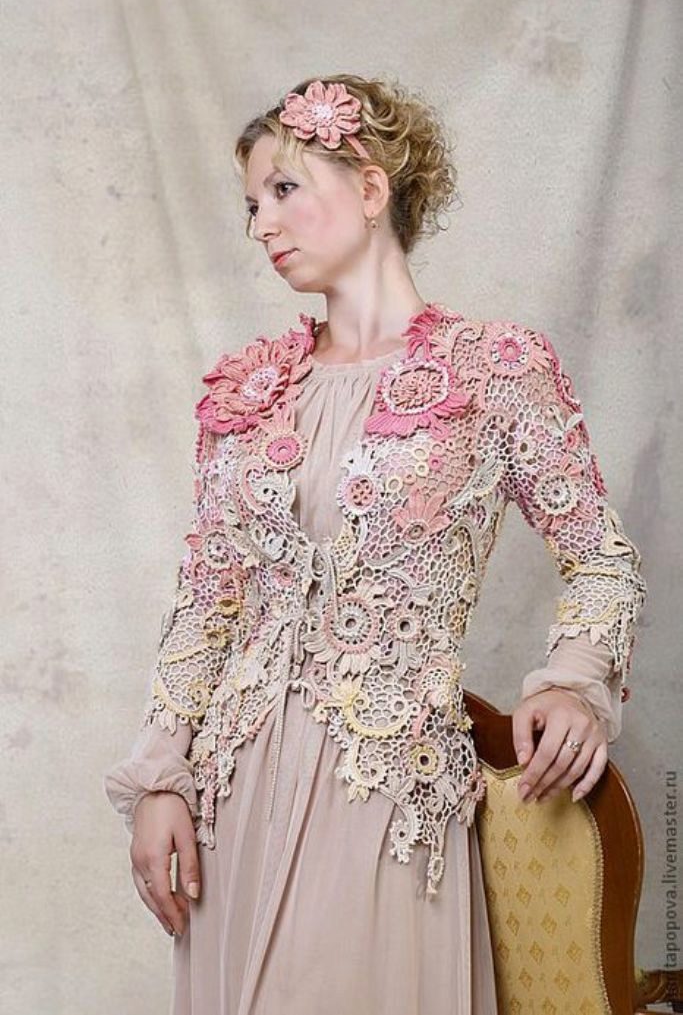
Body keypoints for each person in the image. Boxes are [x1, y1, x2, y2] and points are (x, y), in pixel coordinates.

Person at [104, 74, 647, 1014]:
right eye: (250, 204)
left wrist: (571, 680)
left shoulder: (494, 369)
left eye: (283, 189)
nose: (261, 226)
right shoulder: (248, 392)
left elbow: (601, 559)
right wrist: (159, 778)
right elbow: (206, 603)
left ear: (368, 187)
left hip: (384, 792)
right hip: (230, 803)